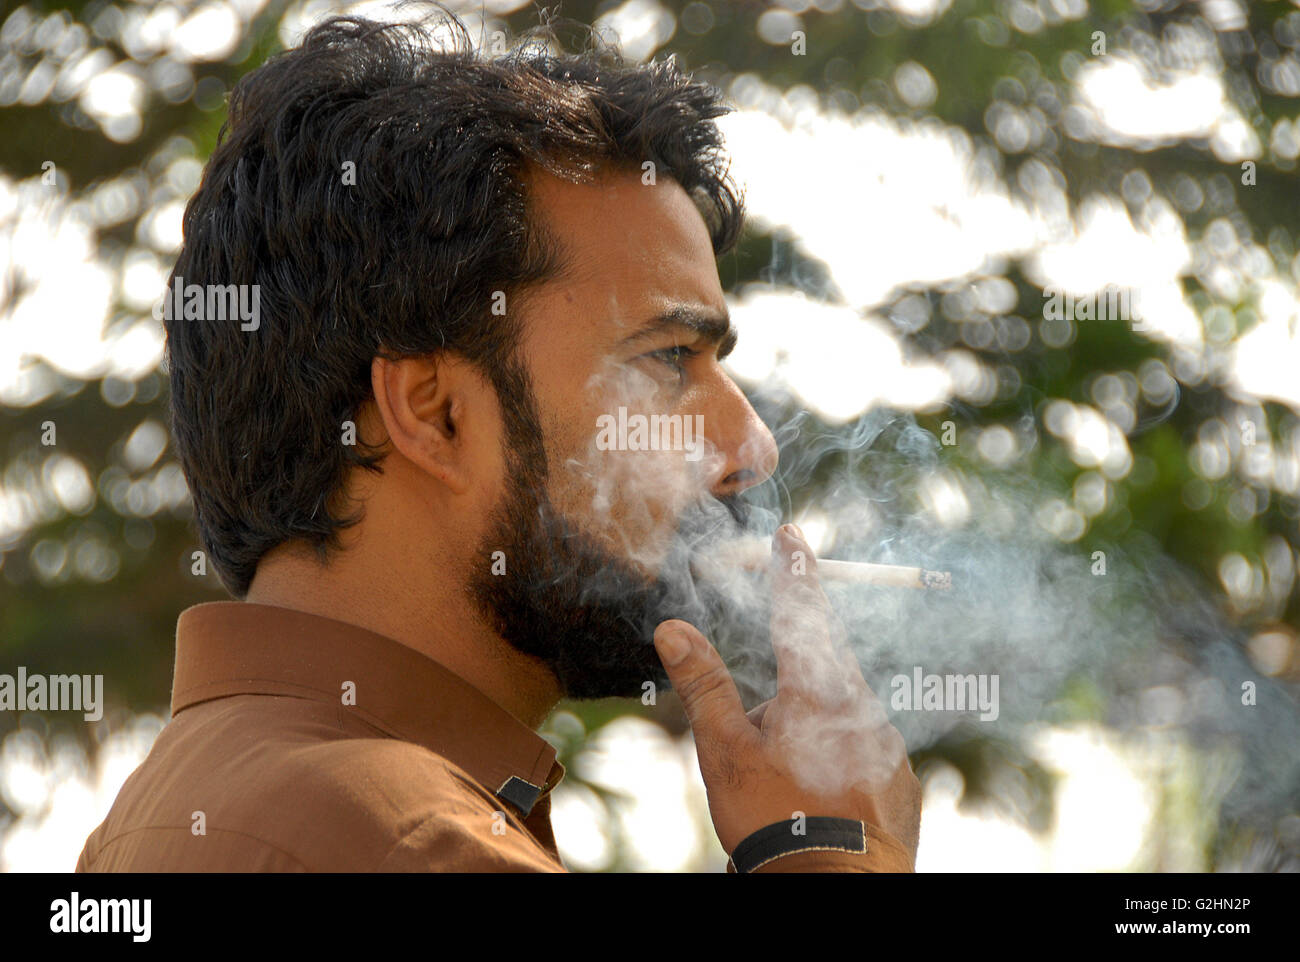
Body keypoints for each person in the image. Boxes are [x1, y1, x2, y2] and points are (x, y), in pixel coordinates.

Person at [77, 10, 920, 873]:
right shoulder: (415, 840)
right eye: (668, 358)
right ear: (437, 414)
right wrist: (825, 849)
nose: (752, 448)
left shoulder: (159, 818)